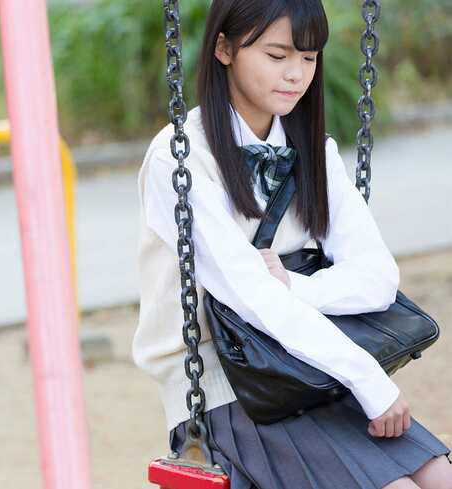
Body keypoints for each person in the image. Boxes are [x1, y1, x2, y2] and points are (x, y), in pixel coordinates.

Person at [132, 1, 452, 488]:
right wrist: (367, 378)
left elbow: (378, 278)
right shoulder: (179, 160)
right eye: (277, 56)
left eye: (308, 57)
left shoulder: (314, 149)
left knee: (440, 476)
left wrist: (296, 287)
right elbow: (250, 295)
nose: (296, 75)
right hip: (229, 387)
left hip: (312, 367)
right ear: (224, 49)